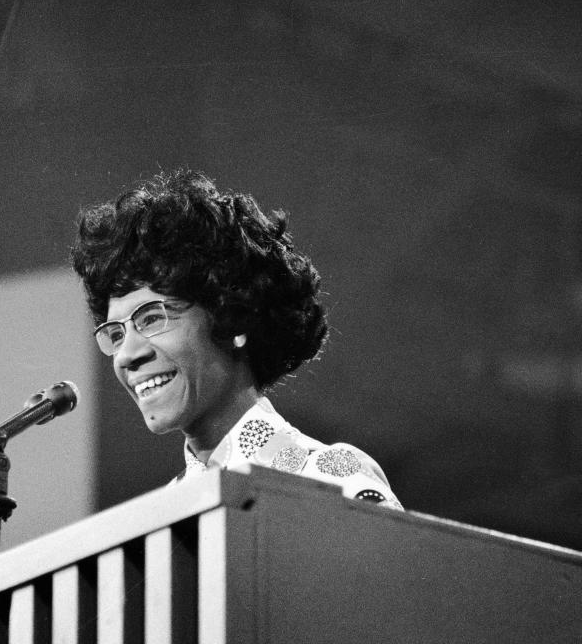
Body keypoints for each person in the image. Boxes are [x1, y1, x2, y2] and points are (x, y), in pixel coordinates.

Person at [71, 168, 401, 509]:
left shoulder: (328, 477)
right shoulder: (156, 522)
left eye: (151, 318)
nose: (127, 354)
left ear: (234, 318)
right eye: (116, 333)